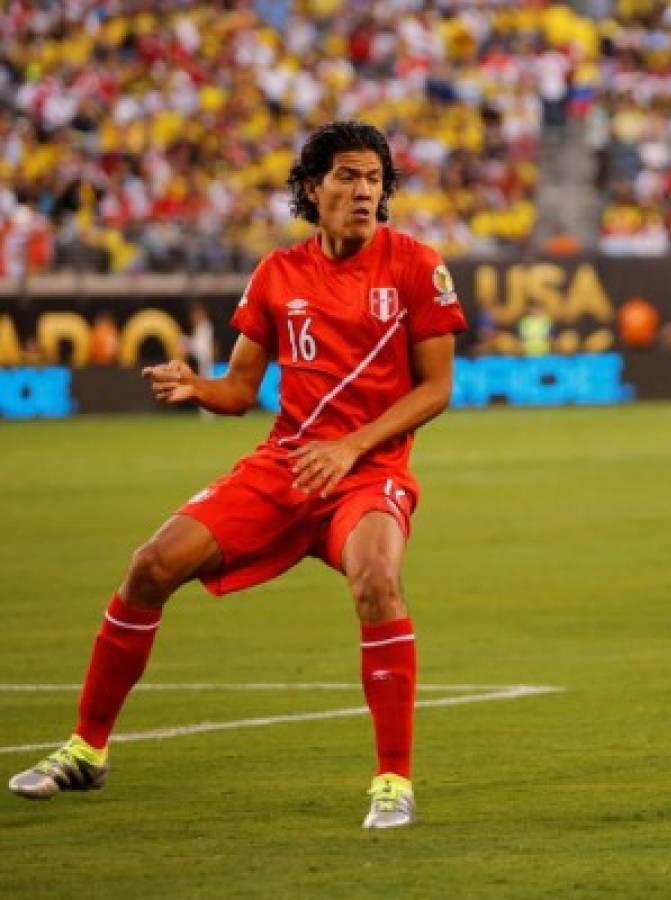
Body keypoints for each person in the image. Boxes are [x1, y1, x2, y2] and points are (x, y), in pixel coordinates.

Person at [8, 121, 467, 830]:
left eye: (374, 179)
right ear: (311, 188)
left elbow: (435, 389)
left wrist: (350, 448)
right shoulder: (278, 274)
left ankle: (392, 781)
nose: (363, 190)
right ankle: (85, 749)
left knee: (377, 579)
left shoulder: (415, 266)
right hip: (285, 463)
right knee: (150, 566)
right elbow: (241, 389)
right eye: (347, 176)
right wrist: (200, 386)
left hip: (368, 471)